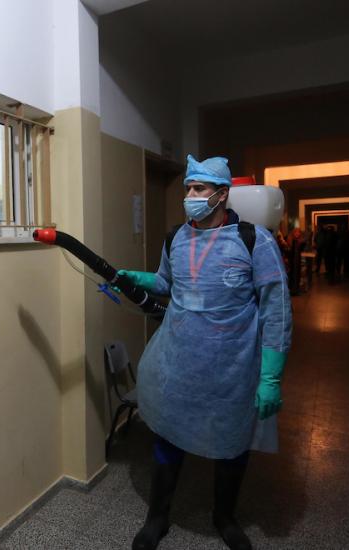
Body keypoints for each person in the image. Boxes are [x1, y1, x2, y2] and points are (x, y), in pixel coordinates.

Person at [115, 155, 292, 550]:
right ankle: (157, 517)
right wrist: (134, 278)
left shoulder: (253, 241)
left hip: (232, 369)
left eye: (199, 189)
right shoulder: (176, 238)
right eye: (188, 188)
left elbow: (277, 310)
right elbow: (165, 282)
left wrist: (270, 378)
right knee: (168, 436)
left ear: (221, 195)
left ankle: (224, 517)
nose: (190, 196)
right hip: (178, 363)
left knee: (231, 443)